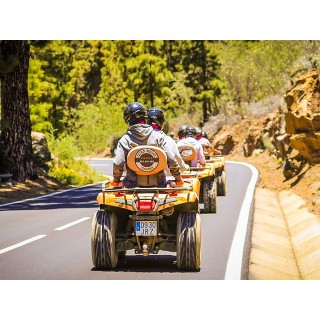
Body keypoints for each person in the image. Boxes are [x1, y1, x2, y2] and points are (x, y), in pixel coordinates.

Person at [112, 102, 183, 188]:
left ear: (127, 119)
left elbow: (118, 163)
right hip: (159, 184)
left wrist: (116, 180)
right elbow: (171, 159)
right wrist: (178, 178)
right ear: (145, 117)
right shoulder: (159, 137)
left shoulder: (125, 140)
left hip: (132, 185)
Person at [147, 107, 189, 172]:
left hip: (138, 180)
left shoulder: (137, 139)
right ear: (162, 122)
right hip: (165, 180)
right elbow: (177, 162)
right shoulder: (168, 140)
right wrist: (185, 167)